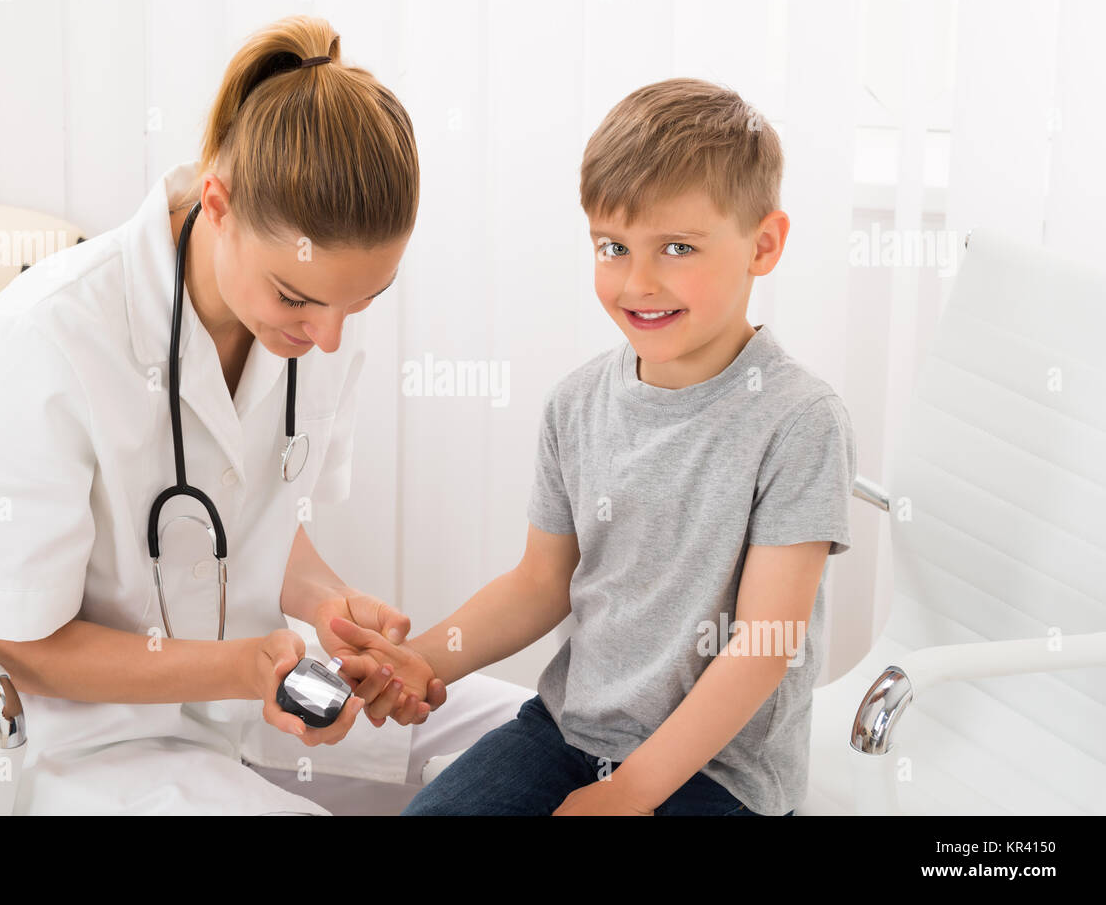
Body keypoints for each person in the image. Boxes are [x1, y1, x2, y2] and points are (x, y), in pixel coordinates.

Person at [0, 14, 532, 815]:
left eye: (362, 301)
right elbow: (16, 639)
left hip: (235, 691)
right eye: (298, 296)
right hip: (64, 738)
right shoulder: (40, 342)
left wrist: (330, 604)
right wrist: (241, 667)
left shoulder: (306, 318)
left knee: (536, 739)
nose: (328, 338)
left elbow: (252, 514)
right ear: (217, 203)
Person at [328, 77, 857, 816]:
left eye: (677, 247)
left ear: (763, 245)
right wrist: (424, 659)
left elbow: (765, 643)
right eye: (613, 247)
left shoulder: (801, 421)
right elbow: (539, 583)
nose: (637, 282)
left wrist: (632, 792)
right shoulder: (576, 403)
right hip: (569, 731)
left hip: (718, 771)